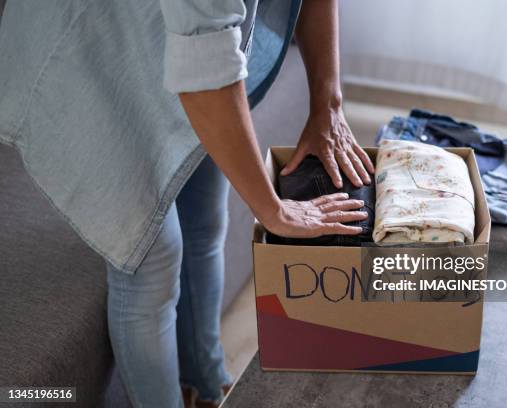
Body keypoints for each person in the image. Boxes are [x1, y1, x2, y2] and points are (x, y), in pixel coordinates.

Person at [0, 0, 373, 406]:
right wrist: (274, 211)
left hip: (169, 34)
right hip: (87, 52)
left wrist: (328, 105)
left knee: (206, 218)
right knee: (151, 259)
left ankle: (205, 386)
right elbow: (207, 70)